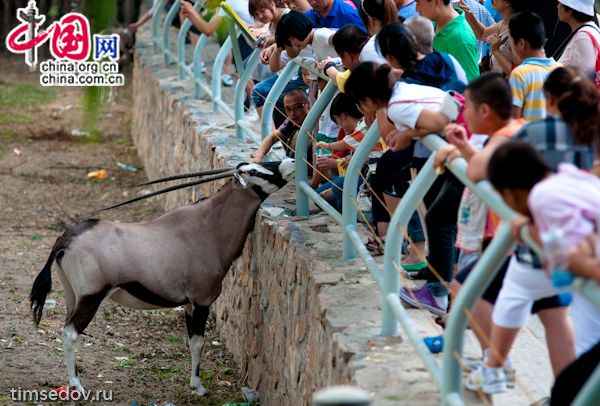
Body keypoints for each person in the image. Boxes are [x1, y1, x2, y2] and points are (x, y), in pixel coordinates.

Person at [345, 62, 464, 314]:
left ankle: (438, 294)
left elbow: (444, 120)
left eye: (358, 103)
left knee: (440, 218)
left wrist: (407, 135)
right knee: (443, 218)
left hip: (466, 146)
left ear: (367, 99)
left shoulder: (396, 108)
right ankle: (444, 289)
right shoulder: (403, 91)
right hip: (465, 141)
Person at [249, 0, 308, 124]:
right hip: (284, 71)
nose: (260, 16)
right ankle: (272, 135)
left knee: (260, 92)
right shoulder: (272, 24)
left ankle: (272, 135)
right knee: (259, 92)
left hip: (298, 74)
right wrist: (271, 50)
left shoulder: (288, 19)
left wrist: (272, 43)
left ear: (272, 4)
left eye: (262, 11)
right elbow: (275, 65)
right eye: (256, 14)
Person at [508, 11, 561, 121]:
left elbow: (514, 121)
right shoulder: (561, 69)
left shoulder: (519, 74)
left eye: (511, 41)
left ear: (521, 43)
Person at [459, 0, 529, 75]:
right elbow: (482, 34)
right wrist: (468, 13)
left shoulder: (517, 31)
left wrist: (496, 51)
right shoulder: (503, 23)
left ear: (507, 3)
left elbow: (518, 74)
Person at [416, 0, 480, 82]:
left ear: (437, 2)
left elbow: (471, 85)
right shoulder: (436, 25)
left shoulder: (459, 38)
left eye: (419, 3)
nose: (416, 9)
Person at [253, 89, 310, 161]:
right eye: (288, 109)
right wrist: (258, 156)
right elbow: (271, 138)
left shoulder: (317, 123)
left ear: (309, 104)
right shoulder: (291, 122)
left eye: (297, 107)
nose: (293, 113)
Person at [554, 0, 600, 82]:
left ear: (571, 9)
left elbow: (582, 81)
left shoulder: (583, 37)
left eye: (560, 3)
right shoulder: (586, 31)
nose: (558, 6)